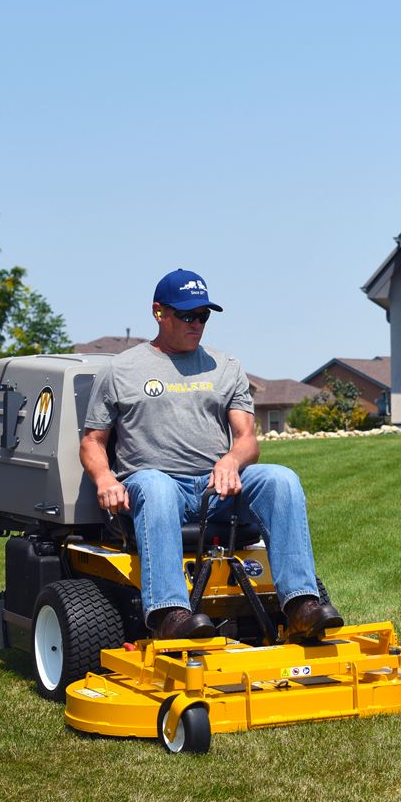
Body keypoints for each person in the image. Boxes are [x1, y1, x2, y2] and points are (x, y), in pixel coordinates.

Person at [79, 269, 343, 643]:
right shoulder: (120, 370)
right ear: (159, 312)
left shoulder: (226, 366)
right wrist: (105, 479)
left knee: (281, 479)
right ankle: (170, 614)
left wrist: (231, 461)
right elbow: (92, 440)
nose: (197, 323)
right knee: (154, 485)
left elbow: (247, 439)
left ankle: (301, 605)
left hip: (214, 489)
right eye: (187, 315)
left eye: (203, 315)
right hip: (153, 485)